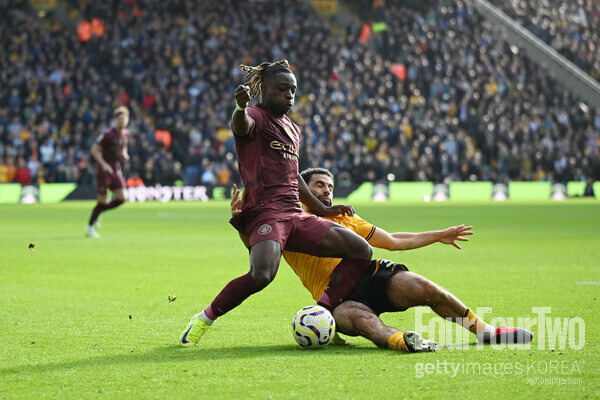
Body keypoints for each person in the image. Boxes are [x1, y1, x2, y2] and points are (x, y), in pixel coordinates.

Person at [179, 60, 377, 348]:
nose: (289, 95)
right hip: (266, 212)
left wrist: (324, 210)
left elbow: (294, 175)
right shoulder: (255, 116)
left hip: (296, 216)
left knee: (362, 250)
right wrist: (240, 108)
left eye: (293, 90)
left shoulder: (294, 129)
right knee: (262, 275)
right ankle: (203, 319)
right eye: (282, 89)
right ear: (265, 90)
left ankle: (322, 312)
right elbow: (241, 125)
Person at [231, 168, 534, 352]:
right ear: (303, 189)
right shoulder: (290, 220)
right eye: (320, 185)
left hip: (372, 277)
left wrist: (438, 234)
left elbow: (392, 242)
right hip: (337, 297)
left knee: (425, 288)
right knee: (362, 321)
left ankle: (485, 332)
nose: (326, 191)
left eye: (330, 187)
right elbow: (257, 248)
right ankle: (402, 340)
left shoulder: (345, 217)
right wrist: (243, 223)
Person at [85, 106, 130, 238]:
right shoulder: (107, 134)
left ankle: (99, 212)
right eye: (120, 118)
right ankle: (89, 227)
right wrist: (103, 164)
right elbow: (94, 150)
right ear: (115, 120)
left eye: (124, 118)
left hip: (116, 170)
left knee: (122, 198)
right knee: (102, 200)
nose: (122, 120)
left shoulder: (126, 134)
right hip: (104, 171)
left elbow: (123, 147)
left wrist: (125, 154)